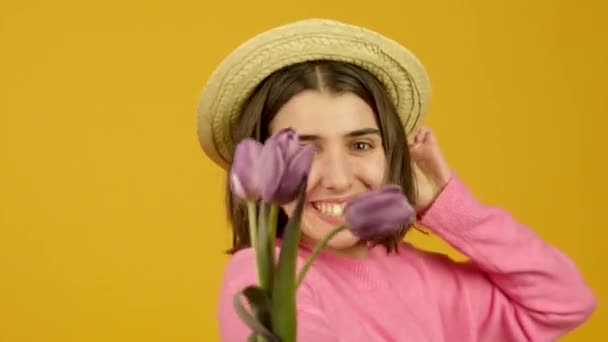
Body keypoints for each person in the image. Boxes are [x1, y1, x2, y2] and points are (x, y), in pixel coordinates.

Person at [196, 18, 596, 341]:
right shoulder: (263, 278)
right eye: (306, 149)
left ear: (392, 155)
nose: (337, 179)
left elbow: (565, 302)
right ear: (263, 162)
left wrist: (446, 204)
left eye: (362, 146)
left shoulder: (432, 281)